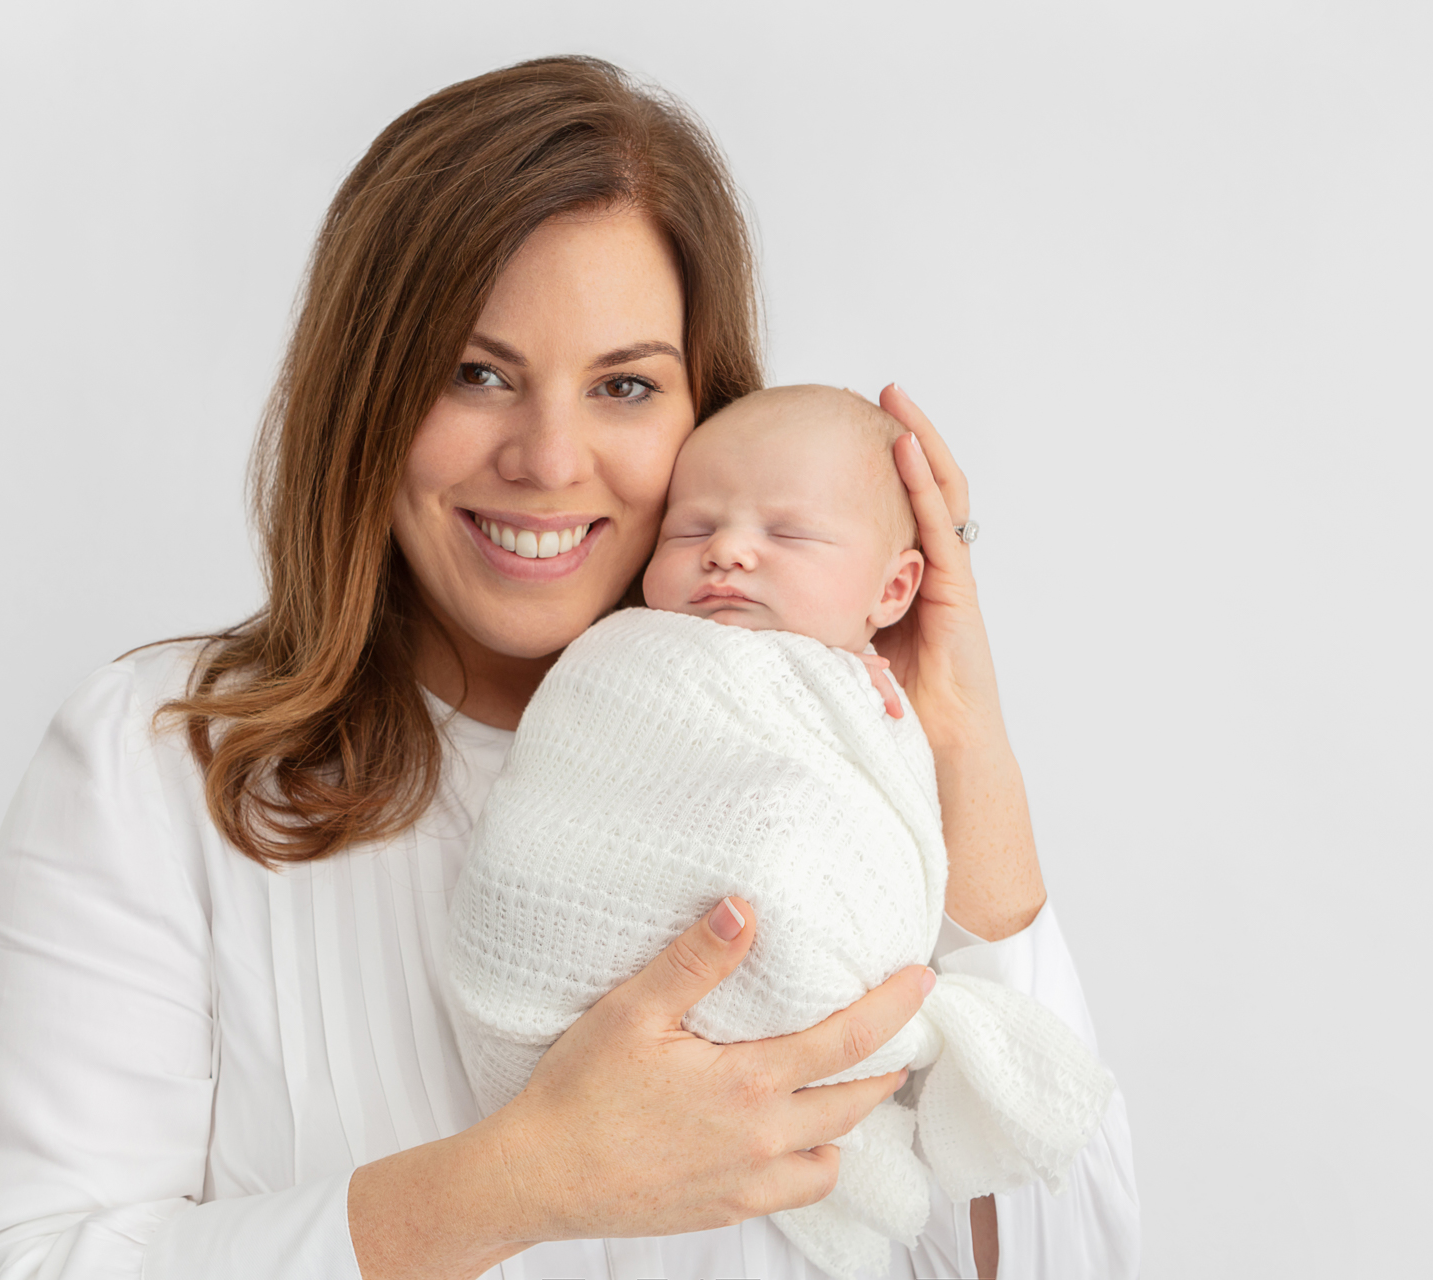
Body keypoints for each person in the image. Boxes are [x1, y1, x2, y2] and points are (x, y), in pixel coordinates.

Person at [0, 56, 1140, 1280]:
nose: (550, 457)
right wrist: (521, 1180)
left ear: (703, 412)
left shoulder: (844, 772)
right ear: (366, 392)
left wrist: (967, 764)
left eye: (624, 384)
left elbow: (1069, 1256)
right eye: (477, 373)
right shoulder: (161, 764)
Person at [447, 385, 1118, 1280]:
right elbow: (574, 805)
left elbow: (1076, 1258)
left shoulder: (882, 706)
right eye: (691, 532)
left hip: (822, 1013)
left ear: (894, 588)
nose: (726, 550)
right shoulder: (626, 663)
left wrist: (951, 732)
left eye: (788, 535)